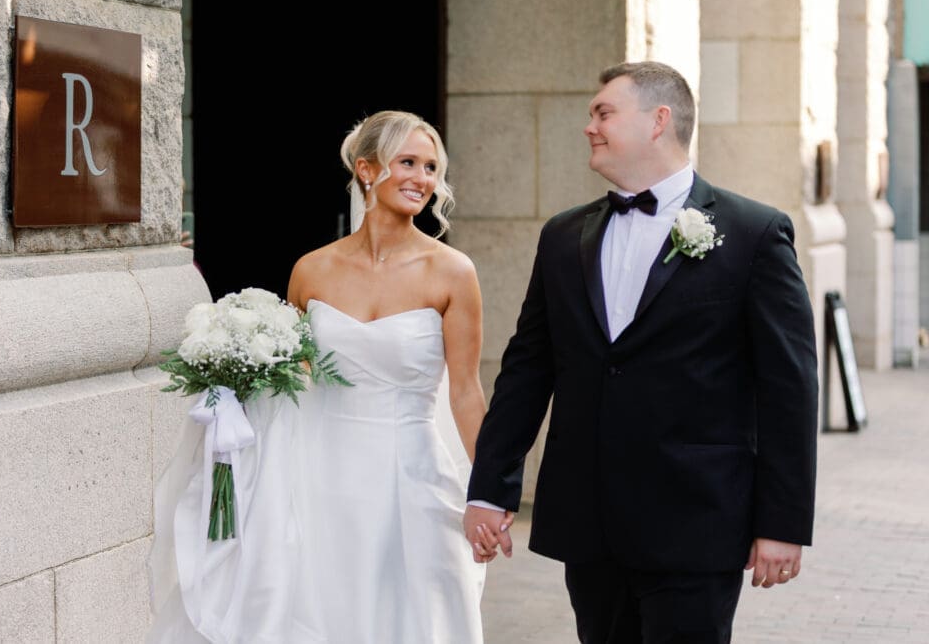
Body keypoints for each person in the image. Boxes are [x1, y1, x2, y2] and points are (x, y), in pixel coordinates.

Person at [462, 61, 819, 643]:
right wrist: (489, 488)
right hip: (590, 521)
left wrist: (782, 523)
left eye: (603, 112)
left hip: (698, 521)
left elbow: (790, 389)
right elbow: (528, 369)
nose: (589, 127)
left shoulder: (754, 233)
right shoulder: (562, 236)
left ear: (659, 120)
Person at [147, 110, 492, 643]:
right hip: (316, 474)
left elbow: (466, 391)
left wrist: (489, 492)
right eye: (408, 162)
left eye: (431, 167)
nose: (423, 179)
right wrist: (235, 388)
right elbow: (298, 379)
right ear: (367, 169)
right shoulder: (312, 270)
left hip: (412, 474)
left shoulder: (452, 272)